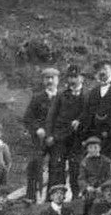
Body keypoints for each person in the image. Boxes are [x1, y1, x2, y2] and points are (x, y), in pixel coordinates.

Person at [47, 65, 89, 195]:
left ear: (81, 78)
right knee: (57, 167)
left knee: (75, 167)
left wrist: (80, 121)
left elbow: (89, 114)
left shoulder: (88, 95)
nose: (72, 80)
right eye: (70, 77)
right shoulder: (61, 95)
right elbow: (51, 115)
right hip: (60, 137)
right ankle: (56, 196)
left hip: (77, 138)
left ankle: (76, 196)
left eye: (75, 77)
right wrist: (49, 135)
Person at [23, 67, 61, 202]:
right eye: (47, 78)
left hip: (56, 139)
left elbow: (65, 119)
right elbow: (27, 118)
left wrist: (55, 135)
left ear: (58, 80)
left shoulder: (62, 97)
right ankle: (31, 196)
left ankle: (51, 199)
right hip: (40, 140)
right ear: (43, 81)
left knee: (55, 167)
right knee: (34, 164)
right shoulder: (37, 98)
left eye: (52, 78)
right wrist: (37, 129)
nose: (50, 81)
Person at [83, 60, 111, 158]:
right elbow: (89, 114)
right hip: (96, 135)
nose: (102, 72)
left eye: (105, 69)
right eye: (99, 70)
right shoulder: (93, 92)